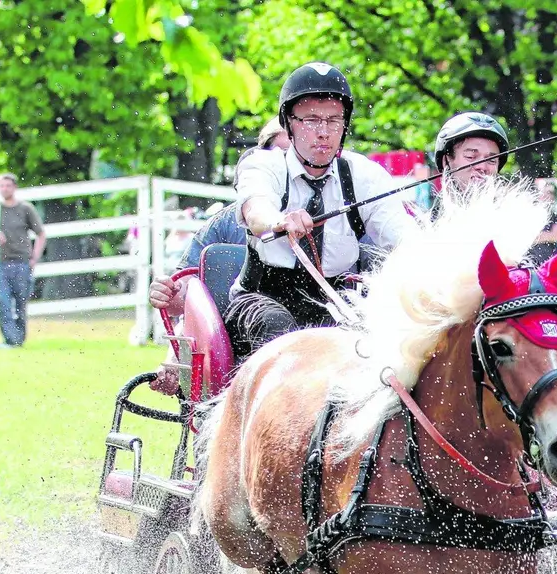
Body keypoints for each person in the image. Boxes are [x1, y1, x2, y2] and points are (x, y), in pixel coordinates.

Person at [146, 62, 415, 393]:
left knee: (375, 343)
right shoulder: (263, 164)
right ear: (289, 123)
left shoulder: (365, 175)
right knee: (280, 331)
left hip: (335, 301)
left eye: (333, 120)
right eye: (311, 120)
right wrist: (279, 221)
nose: (323, 132)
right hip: (260, 299)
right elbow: (256, 208)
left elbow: (404, 237)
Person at [0, 173, 45, 347]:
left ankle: (19, 338)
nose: (5, 189)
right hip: (1, 262)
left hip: (21, 261)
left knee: (21, 302)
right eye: (1, 186)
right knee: (2, 300)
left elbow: (40, 234)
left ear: (14, 187)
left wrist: (35, 256)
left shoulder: (25, 208)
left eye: (8, 185)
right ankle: (10, 338)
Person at [429, 112, 508, 216]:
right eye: (470, 156)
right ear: (446, 162)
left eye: (492, 160)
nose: (482, 167)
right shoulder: (424, 223)